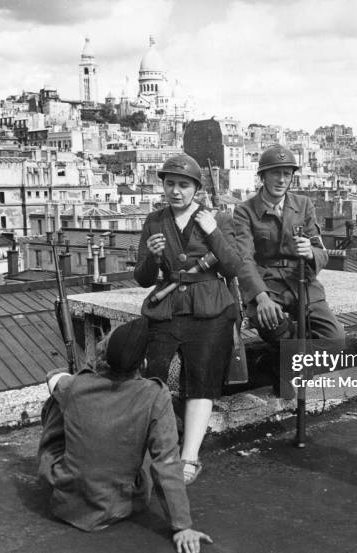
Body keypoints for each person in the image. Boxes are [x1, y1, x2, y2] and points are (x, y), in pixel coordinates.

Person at [37, 317, 212, 552]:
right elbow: (167, 464)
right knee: (152, 448)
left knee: (57, 403)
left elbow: (52, 378)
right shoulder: (154, 395)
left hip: (65, 503)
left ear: (104, 353)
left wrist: (69, 377)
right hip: (118, 506)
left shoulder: (75, 385)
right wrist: (182, 526)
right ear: (143, 362)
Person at [134, 154, 241, 485]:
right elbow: (143, 277)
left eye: (183, 185)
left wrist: (214, 235)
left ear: (196, 188)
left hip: (209, 305)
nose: (176, 191)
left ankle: (189, 456)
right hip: (167, 306)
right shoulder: (154, 221)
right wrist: (152, 258)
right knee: (156, 374)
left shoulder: (217, 219)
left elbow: (233, 267)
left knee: (201, 375)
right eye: (170, 184)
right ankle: (157, 449)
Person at [233, 144, 345, 359]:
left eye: (287, 174)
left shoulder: (303, 205)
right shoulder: (244, 211)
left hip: (302, 281)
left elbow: (321, 250)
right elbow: (244, 259)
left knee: (336, 339)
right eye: (275, 173)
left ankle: (285, 360)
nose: (281, 180)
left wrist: (310, 252)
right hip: (266, 283)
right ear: (263, 176)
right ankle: (292, 356)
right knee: (269, 323)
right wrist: (261, 297)